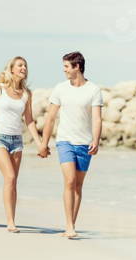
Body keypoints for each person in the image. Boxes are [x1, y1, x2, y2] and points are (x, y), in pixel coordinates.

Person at [0, 56, 48, 233]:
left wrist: (40, 144)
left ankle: (11, 220)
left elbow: (29, 120)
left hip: (17, 141)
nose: (23, 68)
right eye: (20, 65)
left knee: (13, 182)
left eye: (25, 66)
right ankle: (10, 222)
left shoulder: (27, 93)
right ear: (12, 69)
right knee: (10, 177)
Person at [40, 51, 103, 238]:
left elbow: (97, 119)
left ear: (77, 67)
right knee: (69, 181)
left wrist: (96, 140)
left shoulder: (93, 90)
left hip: (84, 143)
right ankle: (68, 226)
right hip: (64, 141)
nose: (64, 70)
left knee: (78, 185)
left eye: (67, 66)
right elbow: (50, 118)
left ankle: (71, 225)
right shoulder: (60, 88)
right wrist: (44, 143)